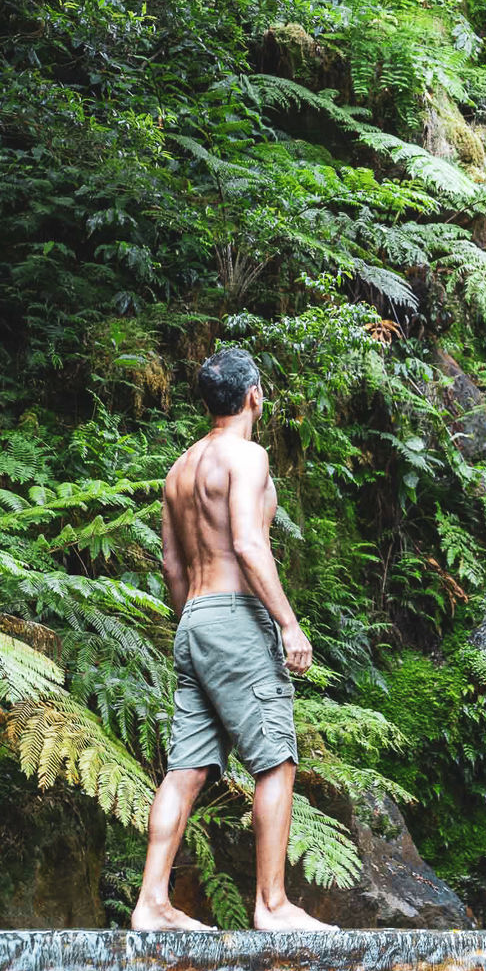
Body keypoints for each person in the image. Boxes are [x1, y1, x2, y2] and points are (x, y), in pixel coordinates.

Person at [131, 347, 336, 932]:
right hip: (236, 617)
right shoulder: (246, 457)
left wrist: (197, 624)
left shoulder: (180, 469)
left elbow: (172, 564)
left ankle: (151, 903)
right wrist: (288, 624)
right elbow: (249, 544)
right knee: (276, 760)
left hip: (192, 619)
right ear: (254, 396)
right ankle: (272, 906)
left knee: (187, 768)